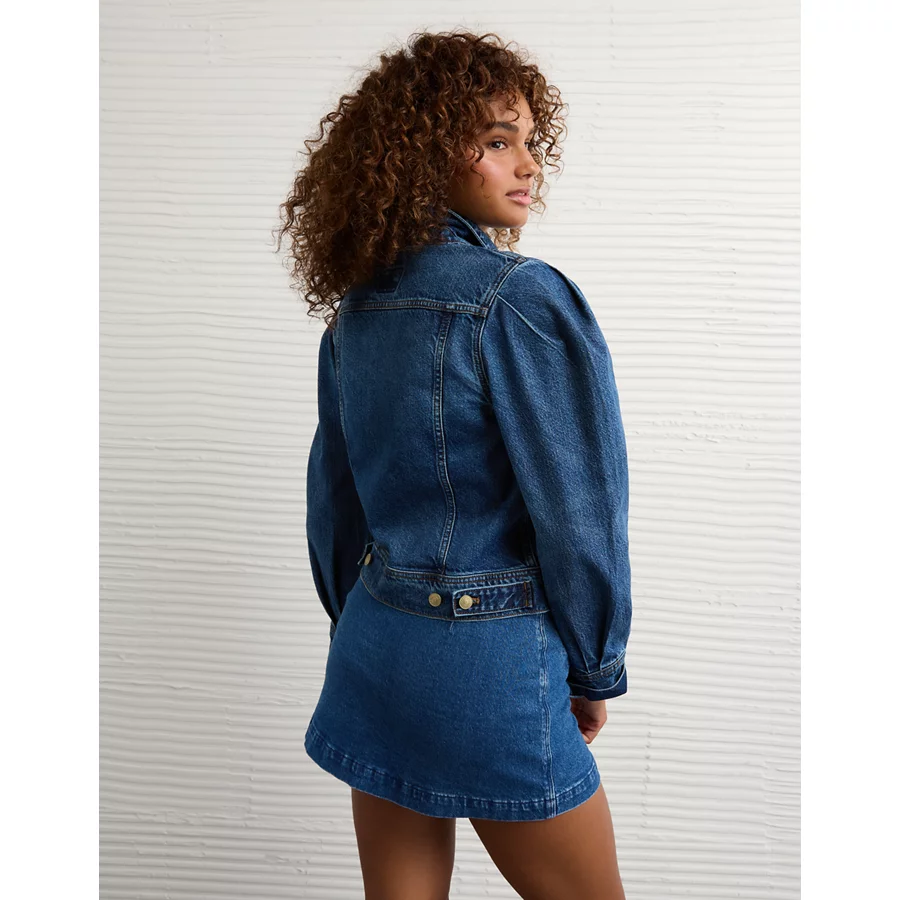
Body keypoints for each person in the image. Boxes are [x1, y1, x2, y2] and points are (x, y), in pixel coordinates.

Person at [275, 29, 632, 900]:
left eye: (529, 142)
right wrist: (595, 668)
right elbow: (580, 515)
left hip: (376, 649)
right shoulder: (520, 299)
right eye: (498, 140)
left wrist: (366, 629)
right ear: (427, 151)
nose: (528, 164)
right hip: (490, 660)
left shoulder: (358, 309)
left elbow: (334, 502)